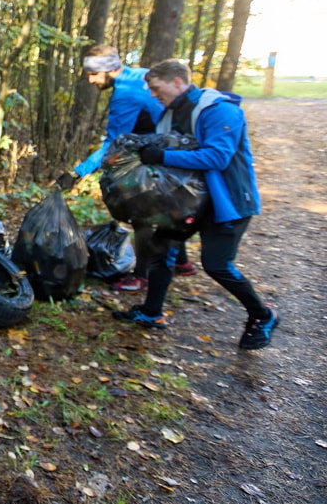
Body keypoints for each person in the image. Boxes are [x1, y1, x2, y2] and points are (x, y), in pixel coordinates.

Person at [112, 58, 278, 350]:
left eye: (155, 87)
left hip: (227, 202)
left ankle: (262, 315)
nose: (152, 94)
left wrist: (161, 157)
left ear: (177, 81)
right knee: (159, 250)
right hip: (188, 201)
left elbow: (217, 157)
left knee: (217, 265)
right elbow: (165, 142)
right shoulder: (170, 113)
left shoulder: (220, 110)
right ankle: (152, 313)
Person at [58, 45, 195, 290]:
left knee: (142, 210)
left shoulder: (125, 93)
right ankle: (182, 263)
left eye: (93, 74)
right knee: (170, 205)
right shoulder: (140, 74)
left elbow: (113, 143)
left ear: (109, 69)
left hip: (168, 151)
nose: (90, 80)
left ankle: (141, 275)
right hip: (179, 145)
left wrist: (77, 172)